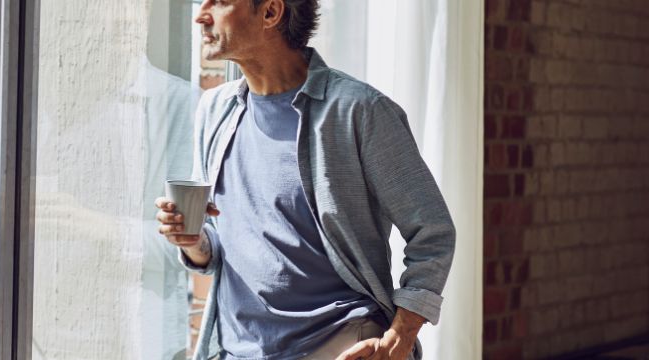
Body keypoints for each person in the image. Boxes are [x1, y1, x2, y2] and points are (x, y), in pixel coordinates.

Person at [154, 0, 455, 359]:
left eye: (219, 2)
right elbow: (222, 246)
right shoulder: (215, 110)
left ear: (270, 12)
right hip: (238, 349)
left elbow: (433, 232)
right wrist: (191, 240)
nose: (200, 15)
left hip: (339, 344)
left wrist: (401, 335)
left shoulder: (360, 111)